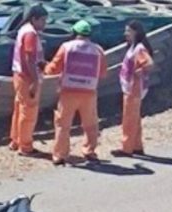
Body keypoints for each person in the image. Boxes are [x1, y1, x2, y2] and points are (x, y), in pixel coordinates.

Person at [45, 20, 107, 166]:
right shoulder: (98, 50)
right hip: (89, 92)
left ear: (74, 33)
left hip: (68, 92)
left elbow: (54, 68)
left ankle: (60, 155)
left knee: (63, 125)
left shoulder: (66, 47)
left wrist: (45, 68)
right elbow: (103, 73)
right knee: (90, 124)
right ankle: (89, 151)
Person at [9, 5, 49, 156]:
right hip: (27, 77)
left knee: (19, 109)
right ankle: (25, 146)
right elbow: (29, 58)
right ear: (34, 19)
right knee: (29, 112)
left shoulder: (24, 30)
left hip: (19, 75)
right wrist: (34, 81)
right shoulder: (31, 34)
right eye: (43, 20)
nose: (45, 24)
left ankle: (16, 140)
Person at [115, 21, 154, 157]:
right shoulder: (134, 47)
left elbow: (149, 63)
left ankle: (127, 148)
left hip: (134, 88)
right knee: (135, 118)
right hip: (131, 87)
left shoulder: (139, 49)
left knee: (129, 119)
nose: (125, 34)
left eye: (128, 31)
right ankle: (137, 146)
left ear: (135, 32)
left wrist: (140, 71)